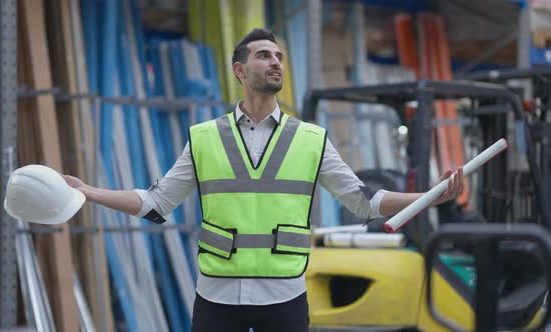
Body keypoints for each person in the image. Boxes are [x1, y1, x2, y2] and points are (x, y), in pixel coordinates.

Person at [63, 28, 464, 332]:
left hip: (284, 297)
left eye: (279, 56)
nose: (275, 62)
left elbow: (365, 202)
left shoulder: (311, 140)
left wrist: (433, 195)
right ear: (240, 70)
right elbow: (155, 202)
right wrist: (87, 192)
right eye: (263, 56)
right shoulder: (204, 138)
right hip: (216, 298)